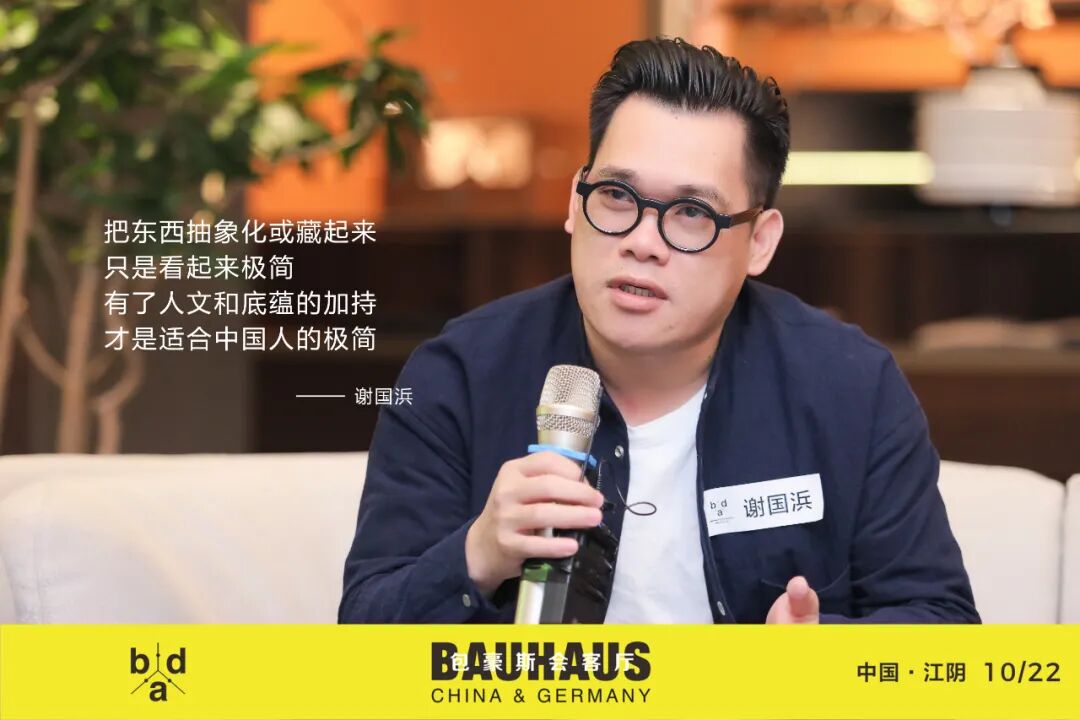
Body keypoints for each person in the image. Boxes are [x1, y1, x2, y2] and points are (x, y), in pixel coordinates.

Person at [339, 37, 980, 624]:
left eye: (692, 212)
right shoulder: (459, 375)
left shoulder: (850, 386)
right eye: (617, 196)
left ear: (760, 241)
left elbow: (942, 625)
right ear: (575, 202)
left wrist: (817, 665)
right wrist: (477, 555)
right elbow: (360, 642)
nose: (643, 242)